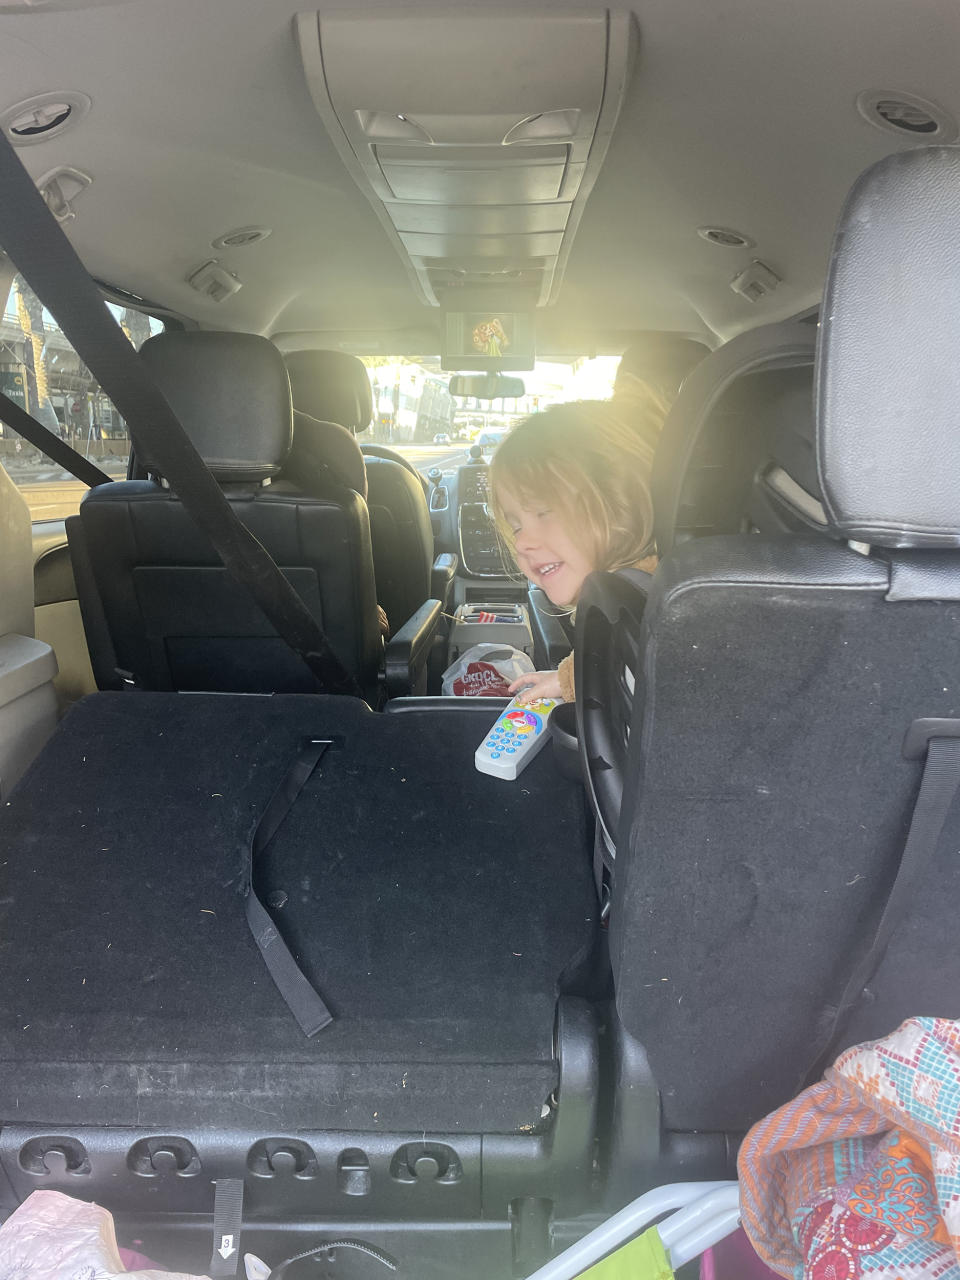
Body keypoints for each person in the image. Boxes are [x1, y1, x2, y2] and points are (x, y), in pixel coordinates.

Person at [489, 401, 659, 704]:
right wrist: (567, 677)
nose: (522, 543)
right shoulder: (623, 601)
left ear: (618, 502)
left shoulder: (656, 619)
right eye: (516, 527)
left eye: (544, 513)